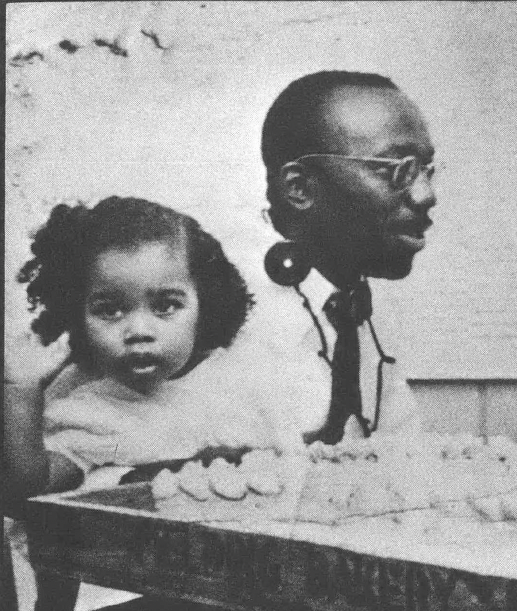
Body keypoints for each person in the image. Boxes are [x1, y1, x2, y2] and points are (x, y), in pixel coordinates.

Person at [2, 196, 266, 516]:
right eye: (109, 310)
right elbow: (29, 490)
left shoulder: (238, 377)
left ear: (205, 305)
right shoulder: (89, 410)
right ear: (76, 317)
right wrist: (20, 389)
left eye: (166, 305)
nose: (138, 330)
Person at [248, 70, 438, 445]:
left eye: (426, 171)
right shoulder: (228, 322)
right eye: (398, 170)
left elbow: (402, 450)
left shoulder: (366, 312)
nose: (426, 195)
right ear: (299, 187)